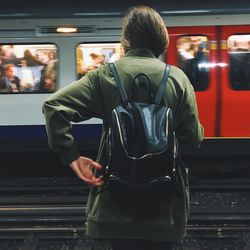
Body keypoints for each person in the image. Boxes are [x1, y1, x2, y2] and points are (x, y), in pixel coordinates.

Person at [42, 5, 204, 250]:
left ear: (125, 41)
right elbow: (193, 139)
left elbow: (54, 106)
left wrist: (71, 156)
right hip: (165, 205)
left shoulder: (104, 76)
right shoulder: (178, 79)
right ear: (162, 40)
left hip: (115, 201)